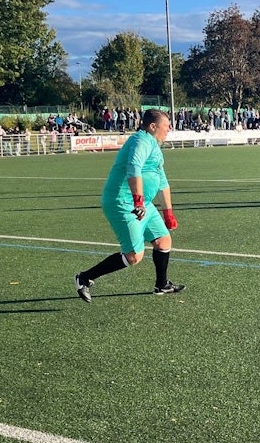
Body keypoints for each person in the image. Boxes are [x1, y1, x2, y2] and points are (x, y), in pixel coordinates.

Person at [74, 109, 184, 301]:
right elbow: (134, 167)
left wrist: (168, 212)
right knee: (134, 256)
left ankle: (162, 285)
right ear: (152, 127)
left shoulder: (155, 146)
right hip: (124, 202)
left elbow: (162, 181)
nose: (169, 130)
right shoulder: (141, 141)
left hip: (143, 204)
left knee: (163, 240)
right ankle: (85, 278)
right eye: (166, 126)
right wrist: (138, 201)